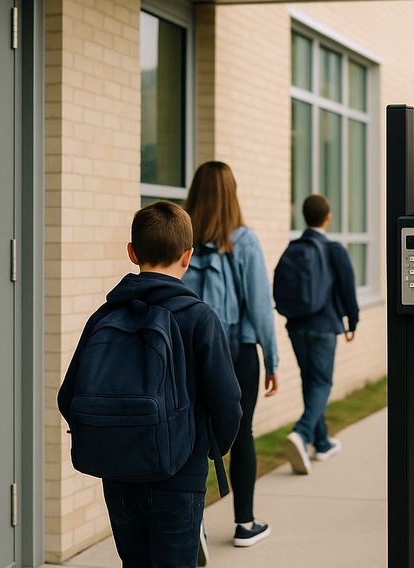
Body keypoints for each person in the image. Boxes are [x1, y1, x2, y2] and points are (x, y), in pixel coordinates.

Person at [58, 201, 243, 568]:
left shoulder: (105, 315)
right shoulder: (200, 318)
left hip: (119, 474)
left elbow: (68, 396)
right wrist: (211, 447)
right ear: (187, 256)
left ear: (131, 252)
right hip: (180, 474)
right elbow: (228, 401)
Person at [183, 161, 280, 553]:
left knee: (190, 435)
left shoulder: (181, 237)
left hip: (190, 350)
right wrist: (272, 360)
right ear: (232, 193)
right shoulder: (244, 240)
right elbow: (260, 306)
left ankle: (193, 528)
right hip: (236, 351)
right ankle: (244, 523)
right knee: (242, 434)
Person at [277, 194, 359, 475]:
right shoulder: (334, 249)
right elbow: (348, 288)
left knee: (310, 381)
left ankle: (321, 442)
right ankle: (301, 434)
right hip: (324, 326)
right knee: (322, 383)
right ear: (328, 216)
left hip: (296, 325)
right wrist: (353, 321)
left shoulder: (293, 247)